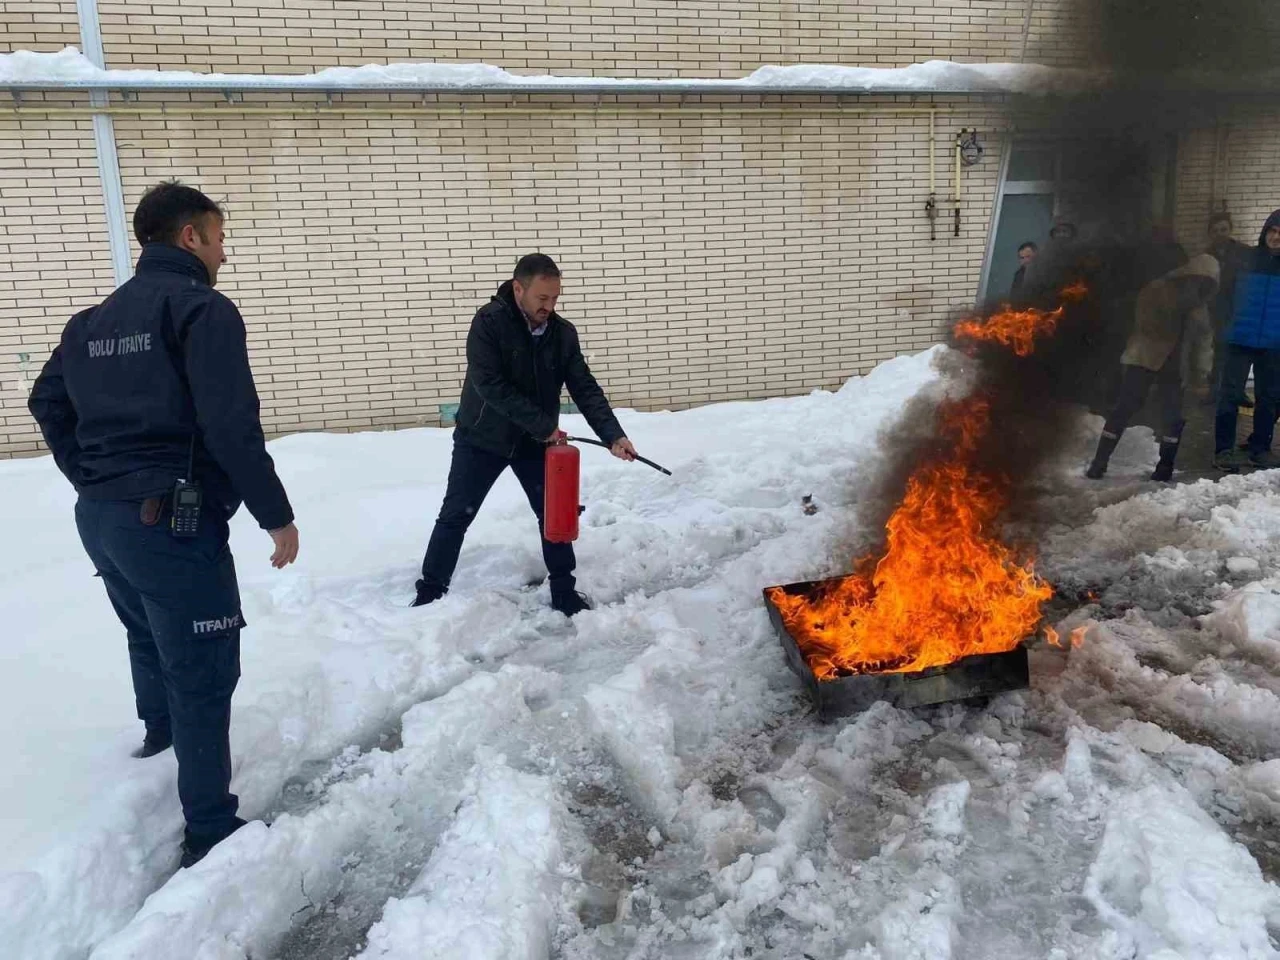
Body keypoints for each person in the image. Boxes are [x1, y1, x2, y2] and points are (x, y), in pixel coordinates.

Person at [27, 181, 299, 868]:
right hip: (168, 524)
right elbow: (231, 426)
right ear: (189, 237)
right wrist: (277, 516)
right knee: (204, 667)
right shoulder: (199, 309)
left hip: (105, 519)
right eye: (217, 237)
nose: (224, 253)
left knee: (148, 633)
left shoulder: (91, 322)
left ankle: (160, 740)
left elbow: (45, 400)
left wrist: (92, 478)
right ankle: (209, 828)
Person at [413, 254, 637, 615]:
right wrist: (544, 425)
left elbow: (584, 387)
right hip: (481, 440)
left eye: (555, 299)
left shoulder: (562, 334)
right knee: (456, 515)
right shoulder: (489, 323)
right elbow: (490, 385)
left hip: (534, 444)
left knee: (553, 517)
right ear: (518, 289)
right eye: (542, 299)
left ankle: (564, 591)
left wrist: (613, 435)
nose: (549, 307)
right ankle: (431, 592)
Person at [1085, 254, 1219, 482]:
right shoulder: (1157, 289)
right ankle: (1099, 461)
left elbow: (1203, 344)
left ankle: (1165, 466)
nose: (1198, 286)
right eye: (1196, 280)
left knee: (1174, 416)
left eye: (1204, 283)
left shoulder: (1200, 309)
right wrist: (1179, 309)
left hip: (1176, 368)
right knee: (1124, 408)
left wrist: (1201, 376)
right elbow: (1146, 325)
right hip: (1143, 359)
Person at [1213, 209, 1280, 472]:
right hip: (1239, 339)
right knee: (1229, 394)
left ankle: (1260, 449)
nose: (1276, 238)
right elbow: (1222, 297)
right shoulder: (1245, 259)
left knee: (1269, 397)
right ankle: (1223, 451)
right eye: (1273, 231)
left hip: (1274, 343)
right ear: (1265, 231)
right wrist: (1223, 328)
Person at [1205, 211, 1254, 403]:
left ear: (1230, 230)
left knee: (1240, 354)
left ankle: (1238, 392)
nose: (1220, 234)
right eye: (1216, 230)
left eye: (1224, 229)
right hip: (1218, 312)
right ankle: (1214, 392)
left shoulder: (1245, 252)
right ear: (1210, 233)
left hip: (1241, 311)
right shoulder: (1206, 256)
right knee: (1218, 353)